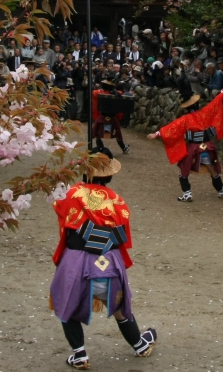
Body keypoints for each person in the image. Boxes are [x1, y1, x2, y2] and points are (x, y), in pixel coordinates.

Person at [49, 143, 156, 369]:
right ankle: (139, 344)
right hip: (109, 264)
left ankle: (79, 354)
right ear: (108, 176)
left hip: (77, 263)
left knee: (65, 303)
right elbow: (123, 233)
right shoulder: (117, 200)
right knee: (119, 308)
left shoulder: (72, 193)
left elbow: (58, 206)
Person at [147, 84, 223, 202]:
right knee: (211, 169)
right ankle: (221, 189)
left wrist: (156, 134)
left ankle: (187, 193)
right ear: (197, 104)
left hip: (193, 148)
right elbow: (216, 102)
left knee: (184, 170)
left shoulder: (185, 119)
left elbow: (171, 128)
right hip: (207, 146)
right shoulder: (205, 112)